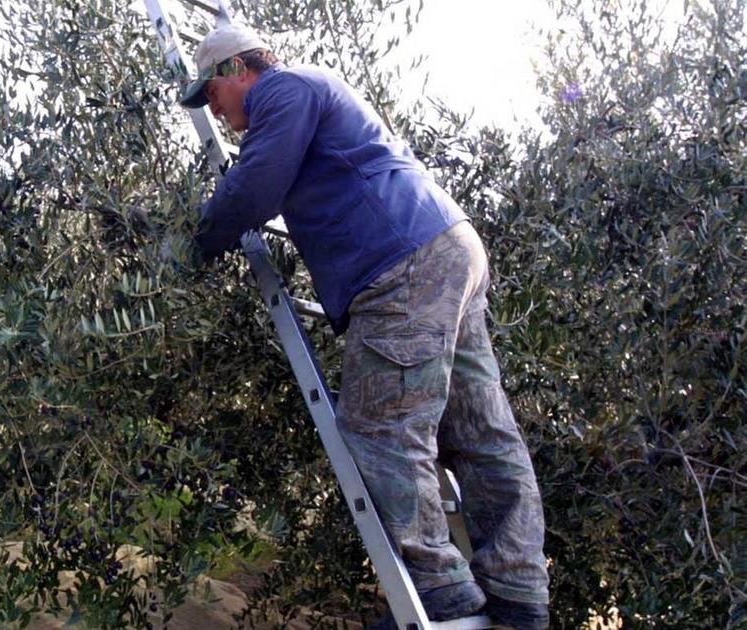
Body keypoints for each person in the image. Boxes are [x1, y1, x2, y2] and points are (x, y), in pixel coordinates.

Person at [178, 22, 551, 630]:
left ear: (234, 71)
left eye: (210, 94)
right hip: (445, 246)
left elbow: (255, 187)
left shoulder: (285, 89)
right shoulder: (309, 92)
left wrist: (190, 245)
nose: (212, 110)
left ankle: (437, 588)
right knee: (480, 430)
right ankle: (518, 589)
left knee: (380, 426)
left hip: (402, 263)